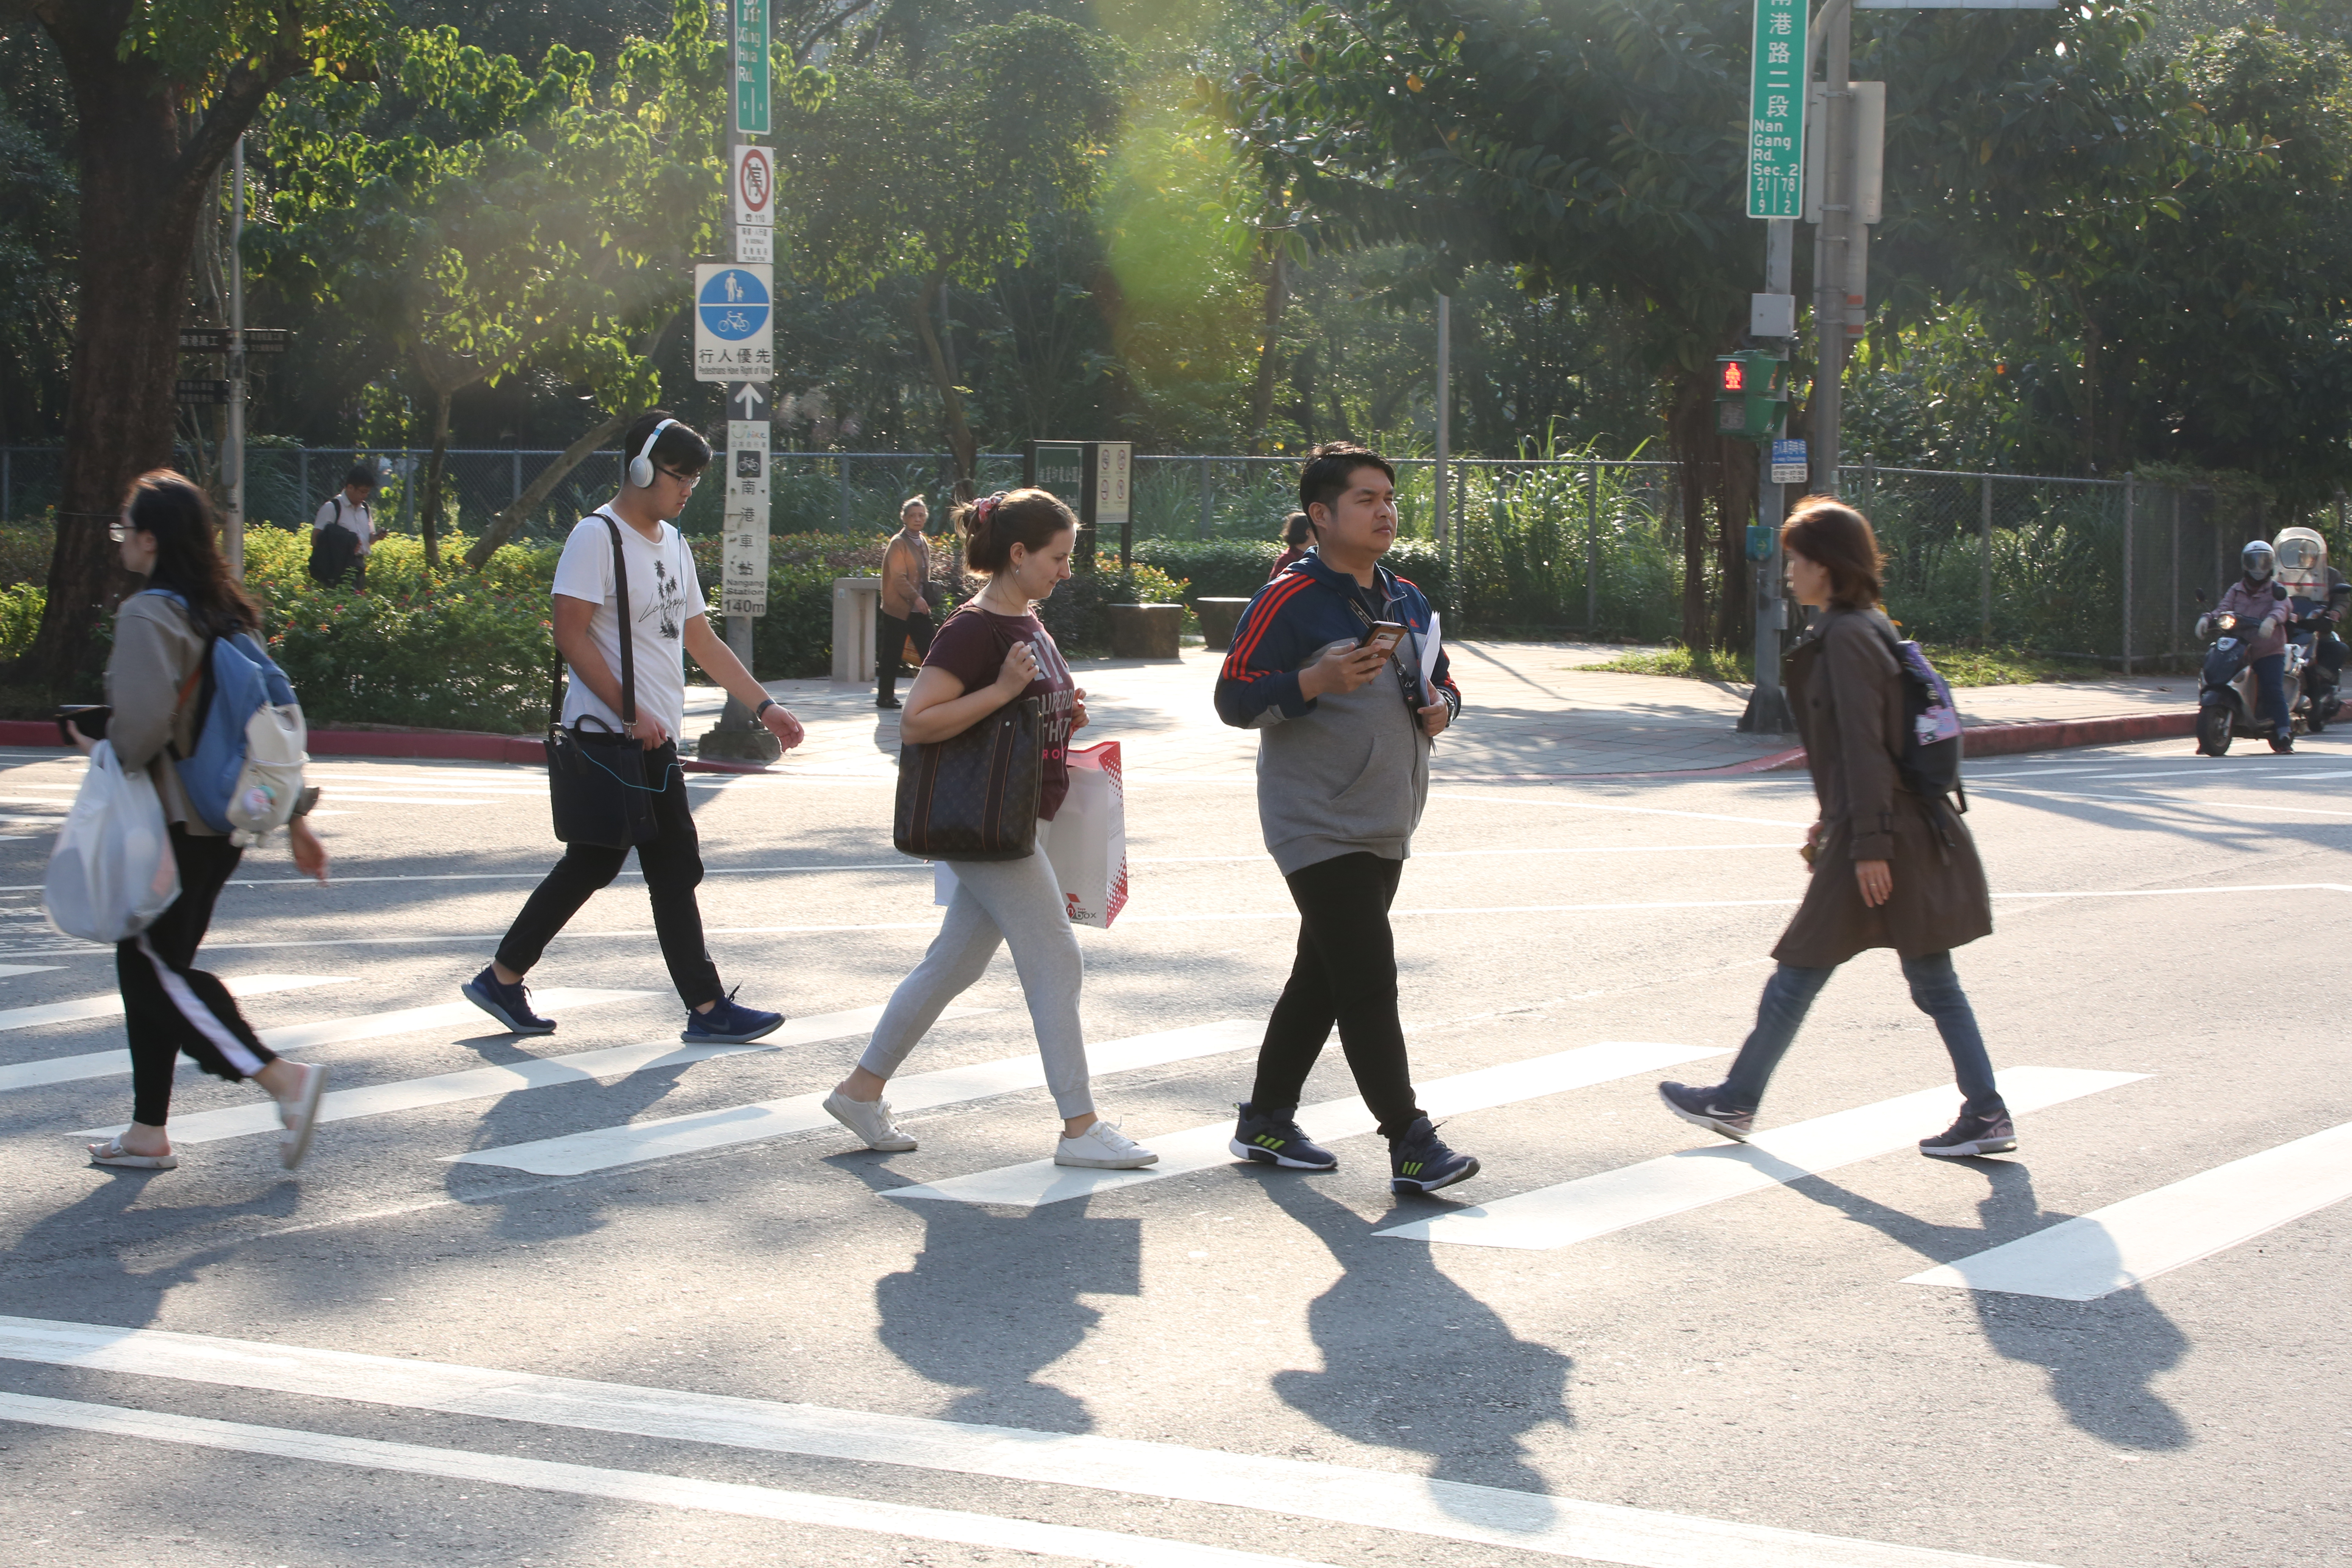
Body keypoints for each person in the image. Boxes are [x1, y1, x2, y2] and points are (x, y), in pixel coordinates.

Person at [1657, 496, 2012, 1159]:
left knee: (1800, 968)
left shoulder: (1849, 636)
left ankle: (1737, 1097)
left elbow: (1864, 748)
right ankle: (1986, 1110)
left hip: (1883, 835)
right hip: (1889, 826)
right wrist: (1836, 818)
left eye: (1797, 560)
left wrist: (1868, 844)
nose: (1788, 572)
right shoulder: (1869, 624)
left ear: (1828, 566)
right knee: (1927, 978)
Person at [824, 487, 1156, 1171]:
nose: (1067, 570)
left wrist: (1063, 714)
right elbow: (919, 720)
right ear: (1017, 553)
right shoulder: (974, 628)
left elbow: (1014, 714)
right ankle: (1080, 1126)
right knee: (1055, 954)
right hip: (987, 824)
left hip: (1016, 815)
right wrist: (1005, 693)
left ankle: (861, 1091)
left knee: (956, 960)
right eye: (1058, 557)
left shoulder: (1027, 619)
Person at [462, 413, 806, 1041]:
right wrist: (629, 710)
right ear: (643, 469)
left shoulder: (672, 543)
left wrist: (764, 706)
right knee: (672, 867)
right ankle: (706, 1008)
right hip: (612, 739)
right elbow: (571, 636)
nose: (689, 489)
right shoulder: (598, 537)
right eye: (682, 476)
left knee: (592, 865)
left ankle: (503, 976)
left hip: (652, 740)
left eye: (697, 479)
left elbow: (699, 637)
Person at [1213, 442, 1471, 1195]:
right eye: (1364, 498)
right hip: (1315, 820)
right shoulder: (1290, 597)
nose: (1384, 509)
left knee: (1322, 975)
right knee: (1366, 976)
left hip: (1387, 814)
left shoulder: (1407, 597)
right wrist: (1313, 678)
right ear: (1321, 515)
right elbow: (1234, 699)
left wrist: (1441, 708)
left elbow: (1444, 678)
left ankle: (1265, 1116)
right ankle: (1409, 1139)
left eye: (1388, 496)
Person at [77, 471, 333, 1173]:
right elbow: (267, 729)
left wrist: (98, 742)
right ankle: (147, 1130)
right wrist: (297, 820)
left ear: (151, 538)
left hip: (172, 823)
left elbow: (140, 730)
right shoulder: (225, 610)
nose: (121, 539)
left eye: (125, 528)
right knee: (157, 965)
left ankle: (281, 1077)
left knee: (155, 969)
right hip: (221, 827)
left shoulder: (148, 613)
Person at [2201, 539, 2294, 753]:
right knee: (2214, 673)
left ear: (2271, 564)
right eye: (2254, 561)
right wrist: (2207, 619)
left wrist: (2272, 621)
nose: (2258, 567)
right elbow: (2223, 609)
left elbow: (2283, 608)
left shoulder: (2277, 590)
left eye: (2263, 561)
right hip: (2240, 648)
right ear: (2245, 564)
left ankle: (2283, 732)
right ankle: (2209, 730)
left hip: (2267, 649)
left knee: (2272, 688)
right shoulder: (2237, 589)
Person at [876, 495, 937, 710]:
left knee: (931, 651)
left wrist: (923, 598)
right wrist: (917, 598)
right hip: (899, 608)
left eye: (921, 515)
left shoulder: (923, 541)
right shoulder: (898, 543)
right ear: (904, 518)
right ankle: (885, 697)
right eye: (913, 516)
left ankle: (935, 695)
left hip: (920, 607)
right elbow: (898, 578)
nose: (917, 519)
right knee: (892, 654)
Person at [309, 465, 379, 589]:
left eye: (368, 492)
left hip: (359, 566)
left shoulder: (365, 509)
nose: (365, 495)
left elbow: (367, 541)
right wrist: (344, 543)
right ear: (350, 488)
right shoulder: (332, 508)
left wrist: (377, 537)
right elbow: (316, 540)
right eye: (363, 491)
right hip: (337, 566)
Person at [1268, 510, 1314, 579]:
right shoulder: (1287, 558)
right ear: (1308, 532)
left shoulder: (1316, 555)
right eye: (1317, 530)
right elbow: (1273, 585)